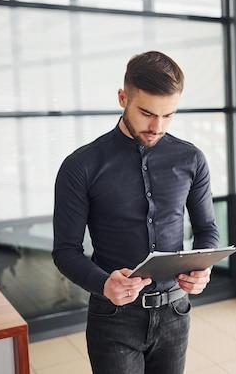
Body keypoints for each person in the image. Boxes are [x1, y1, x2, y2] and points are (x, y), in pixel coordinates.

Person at [52, 51, 220, 374]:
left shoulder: (192, 159)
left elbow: (207, 228)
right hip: (113, 319)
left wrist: (203, 266)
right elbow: (65, 251)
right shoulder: (80, 167)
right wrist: (104, 284)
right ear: (122, 98)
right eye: (147, 113)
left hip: (176, 312)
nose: (157, 127)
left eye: (168, 115)